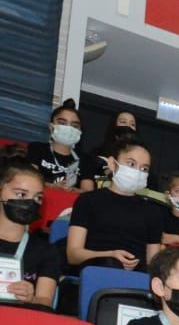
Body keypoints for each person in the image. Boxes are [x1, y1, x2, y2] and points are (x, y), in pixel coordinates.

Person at [65, 138, 164, 271]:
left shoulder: (152, 211)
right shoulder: (88, 200)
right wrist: (110, 255)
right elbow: (73, 254)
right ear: (112, 163)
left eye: (144, 168)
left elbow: (153, 265)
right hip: (95, 272)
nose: (137, 172)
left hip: (134, 281)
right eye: (131, 164)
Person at [0, 155, 59, 308]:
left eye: (37, 198)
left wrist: (31, 298)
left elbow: (45, 303)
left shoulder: (47, 252)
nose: (30, 203)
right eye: (21, 194)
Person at [24, 100, 83, 190]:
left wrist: (74, 190)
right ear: (51, 127)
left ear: (79, 131)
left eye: (74, 126)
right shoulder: (37, 149)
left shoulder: (84, 160)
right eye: (62, 123)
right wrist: (52, 186)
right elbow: (28, 179)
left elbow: (88, 192)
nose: (69, 128)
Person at [79, 111, 140, 191]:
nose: (128, 126)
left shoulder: (140, 161)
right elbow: (86, 190)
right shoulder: (95, 156)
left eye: (132, 124)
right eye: (123, 122)